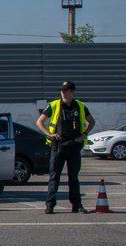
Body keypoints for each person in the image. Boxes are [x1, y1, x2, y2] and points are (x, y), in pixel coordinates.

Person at [36, 80, 95, 214]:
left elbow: (92, 121)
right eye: (62, 91)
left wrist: (84, 135)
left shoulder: (80, 106)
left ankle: (77, 205)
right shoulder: (54, 105)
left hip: (74, 145)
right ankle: (50, 205)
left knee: (73, 177)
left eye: (66, 90)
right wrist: (49, 134)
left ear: (72, 92)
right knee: (54, 176)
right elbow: (39, 122)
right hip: (58, 146)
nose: (63, 93)